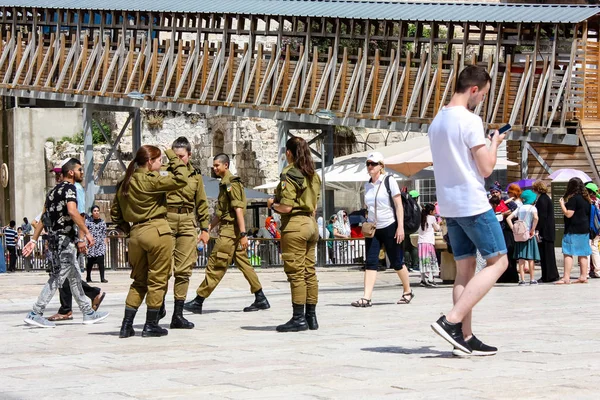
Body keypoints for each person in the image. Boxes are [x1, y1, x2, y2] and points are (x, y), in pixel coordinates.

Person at [428, 65, 508, 357]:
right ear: (473, 89)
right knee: (499, 262)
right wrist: (494, 144)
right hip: (472, 202)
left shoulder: (437, 121)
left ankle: (466, 336)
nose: (482, 100)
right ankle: (451, 321)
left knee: (464, 270)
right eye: (483, 95)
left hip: (449, 206)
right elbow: (485, 168)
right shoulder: (470, 120)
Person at [22, 158, 109, 328]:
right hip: (65, 241)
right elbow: (73, 211)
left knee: (74, 277)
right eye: (79, 170)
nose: (82, 173)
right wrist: (87, 233)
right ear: (71, 172)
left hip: (54, 240)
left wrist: (33, 239)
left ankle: (88, 312)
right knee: (57, 277)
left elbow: (43, 218)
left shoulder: (52, 192)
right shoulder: (70, 189)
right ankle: (36, 312)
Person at [111, 145, 188, 338]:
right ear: (150, 162)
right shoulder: (152, 180)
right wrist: (171, 154)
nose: (161, 163)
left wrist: (130, 230)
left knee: (139, 281)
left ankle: (126, 325)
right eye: (159, 160)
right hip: (157, 232)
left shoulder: (124, 182)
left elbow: (115, 214)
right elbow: (181, 178)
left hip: (136, 234)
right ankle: (150, 324)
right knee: (158, 280)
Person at [184, 154, 270, 315]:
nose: (215, 168)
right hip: (230, 229)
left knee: (217, 263)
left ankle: (199, 300)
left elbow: (238, 209)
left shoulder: (231, 183)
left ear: (226, 165)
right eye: (214, 166)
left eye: (217, 165)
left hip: (230, 231)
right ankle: (260, 298)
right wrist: (209, 227)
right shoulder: (224, 184)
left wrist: (243, 233)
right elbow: (221, 213)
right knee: (244, 264)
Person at [268, 137, 321, 332]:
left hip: (295, 225)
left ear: (289, 153)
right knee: (309, 272)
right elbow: (314, 206)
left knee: (296, 273)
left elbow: (287, 206)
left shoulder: (290, 173)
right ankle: (311, 317)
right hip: (311, 224)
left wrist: (273, 205)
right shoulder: (313, 175)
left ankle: (298, 318)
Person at [351, 152, 413, 308]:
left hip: (390, 225)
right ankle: (366, 297)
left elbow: (398, 205)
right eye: (368, 164)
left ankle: (407, 290)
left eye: (373, 163)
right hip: (373, 228)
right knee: (370, 262)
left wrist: (400, 227)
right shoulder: (367, 185)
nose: (370, 166)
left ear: (381, 166)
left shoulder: (389, 181)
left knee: (396, 262)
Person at [163, 137, 210, 330]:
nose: (177, 159)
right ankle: (158, 306)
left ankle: (178, 315)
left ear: (189, 155)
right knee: (163, 268)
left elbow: (201, 203)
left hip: (187, 222)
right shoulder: (164, 173)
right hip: (167, 219)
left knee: (184, 271)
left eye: (181, 156)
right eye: (174, 156)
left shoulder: (196, 176)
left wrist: (205, 228)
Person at [557, 177, 592, 284]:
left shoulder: (573, 199)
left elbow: (569, 214)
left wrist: (562, 204)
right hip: (584, 229)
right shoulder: (587, 199)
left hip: (573, 229)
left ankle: (566, 278)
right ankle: (583, 276)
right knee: (583, 253)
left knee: (568, 253)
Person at [506, 190, 540, 285]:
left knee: (521, 258)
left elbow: (508, 218)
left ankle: (522, 280)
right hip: (529, 235)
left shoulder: (519, 208)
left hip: (520, 235)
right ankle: (532, 279)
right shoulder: (533, 208)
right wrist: (533, 229)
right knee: (531, 258)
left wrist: (514, 229)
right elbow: (536, 218)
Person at [532, 181, 559, 282]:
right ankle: (551, 274)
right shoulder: (546, 198)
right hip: (549, 230)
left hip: (545, 231)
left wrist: (537, 228)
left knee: (546, 254)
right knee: (549, 254)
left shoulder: (542, 200)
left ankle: (548, 276)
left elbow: (542, 217)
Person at [418, 203, 441, 287]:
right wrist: (438, 222)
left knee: (423, 261)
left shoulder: (421, 217)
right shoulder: (432, 218)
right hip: (428, 242)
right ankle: (430, 279)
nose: (435, 212)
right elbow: (437, 228)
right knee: (430, 261)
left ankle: (423, 279)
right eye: (434, 210)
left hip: (421, 242)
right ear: (431, 211)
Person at [85, 205, 108, 283]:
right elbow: (85, 233)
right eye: (94, 211)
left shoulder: (102, 222)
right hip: (91, 244)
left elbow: (104, 234)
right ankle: (88, 277)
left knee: (101, 262)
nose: (96, 212)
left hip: (100, 244)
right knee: (90, 262)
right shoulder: (88, 222)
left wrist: (104, 244)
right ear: (92, 212)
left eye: (97, 210)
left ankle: (102, 278)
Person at [585, 182, 600, 278]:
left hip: (588, 227)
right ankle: (598, 271)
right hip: (597, 227)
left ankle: (585, 272)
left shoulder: (587, 201)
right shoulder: (598, 200)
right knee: (595, 249)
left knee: (586, 249)